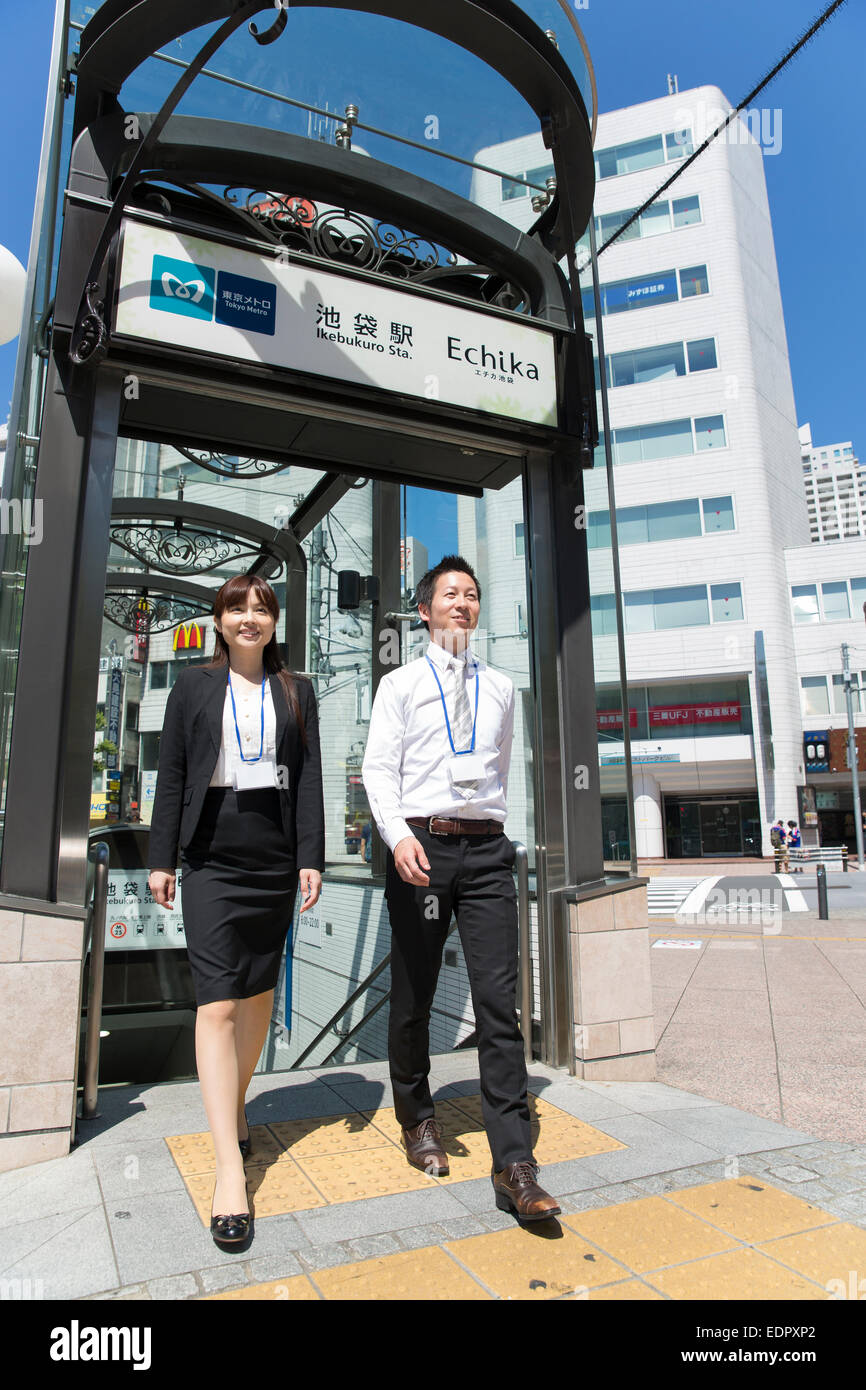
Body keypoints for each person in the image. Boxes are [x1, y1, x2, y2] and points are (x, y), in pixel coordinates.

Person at [362, 555, 560, 1221]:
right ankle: (417, 1118)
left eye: (472, 595)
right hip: (421, 847)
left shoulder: (502, 688)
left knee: (498, 1003)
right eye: (450, 593)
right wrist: (397, 837)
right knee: (415, 993)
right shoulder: (400, 685)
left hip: (484, 853)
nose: (462, 603)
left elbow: (502, 770)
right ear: (424, 610)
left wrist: (501, 834)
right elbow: (378, 768)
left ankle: (514, 1162)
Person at [148, 576, 324, 1249]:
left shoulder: (295, 689)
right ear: (218, 621)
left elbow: (306, 775)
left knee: (257, 997)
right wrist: (162, 859)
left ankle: (234, 1107)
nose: (249, 617)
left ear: (274, 622)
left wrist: (311, 855)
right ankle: (230, 1169)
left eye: (261, 609)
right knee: (217, 1003)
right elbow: (172, 773)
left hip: (273, 856)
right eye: (236, 608)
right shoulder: (192, 686)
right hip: (211, 857)